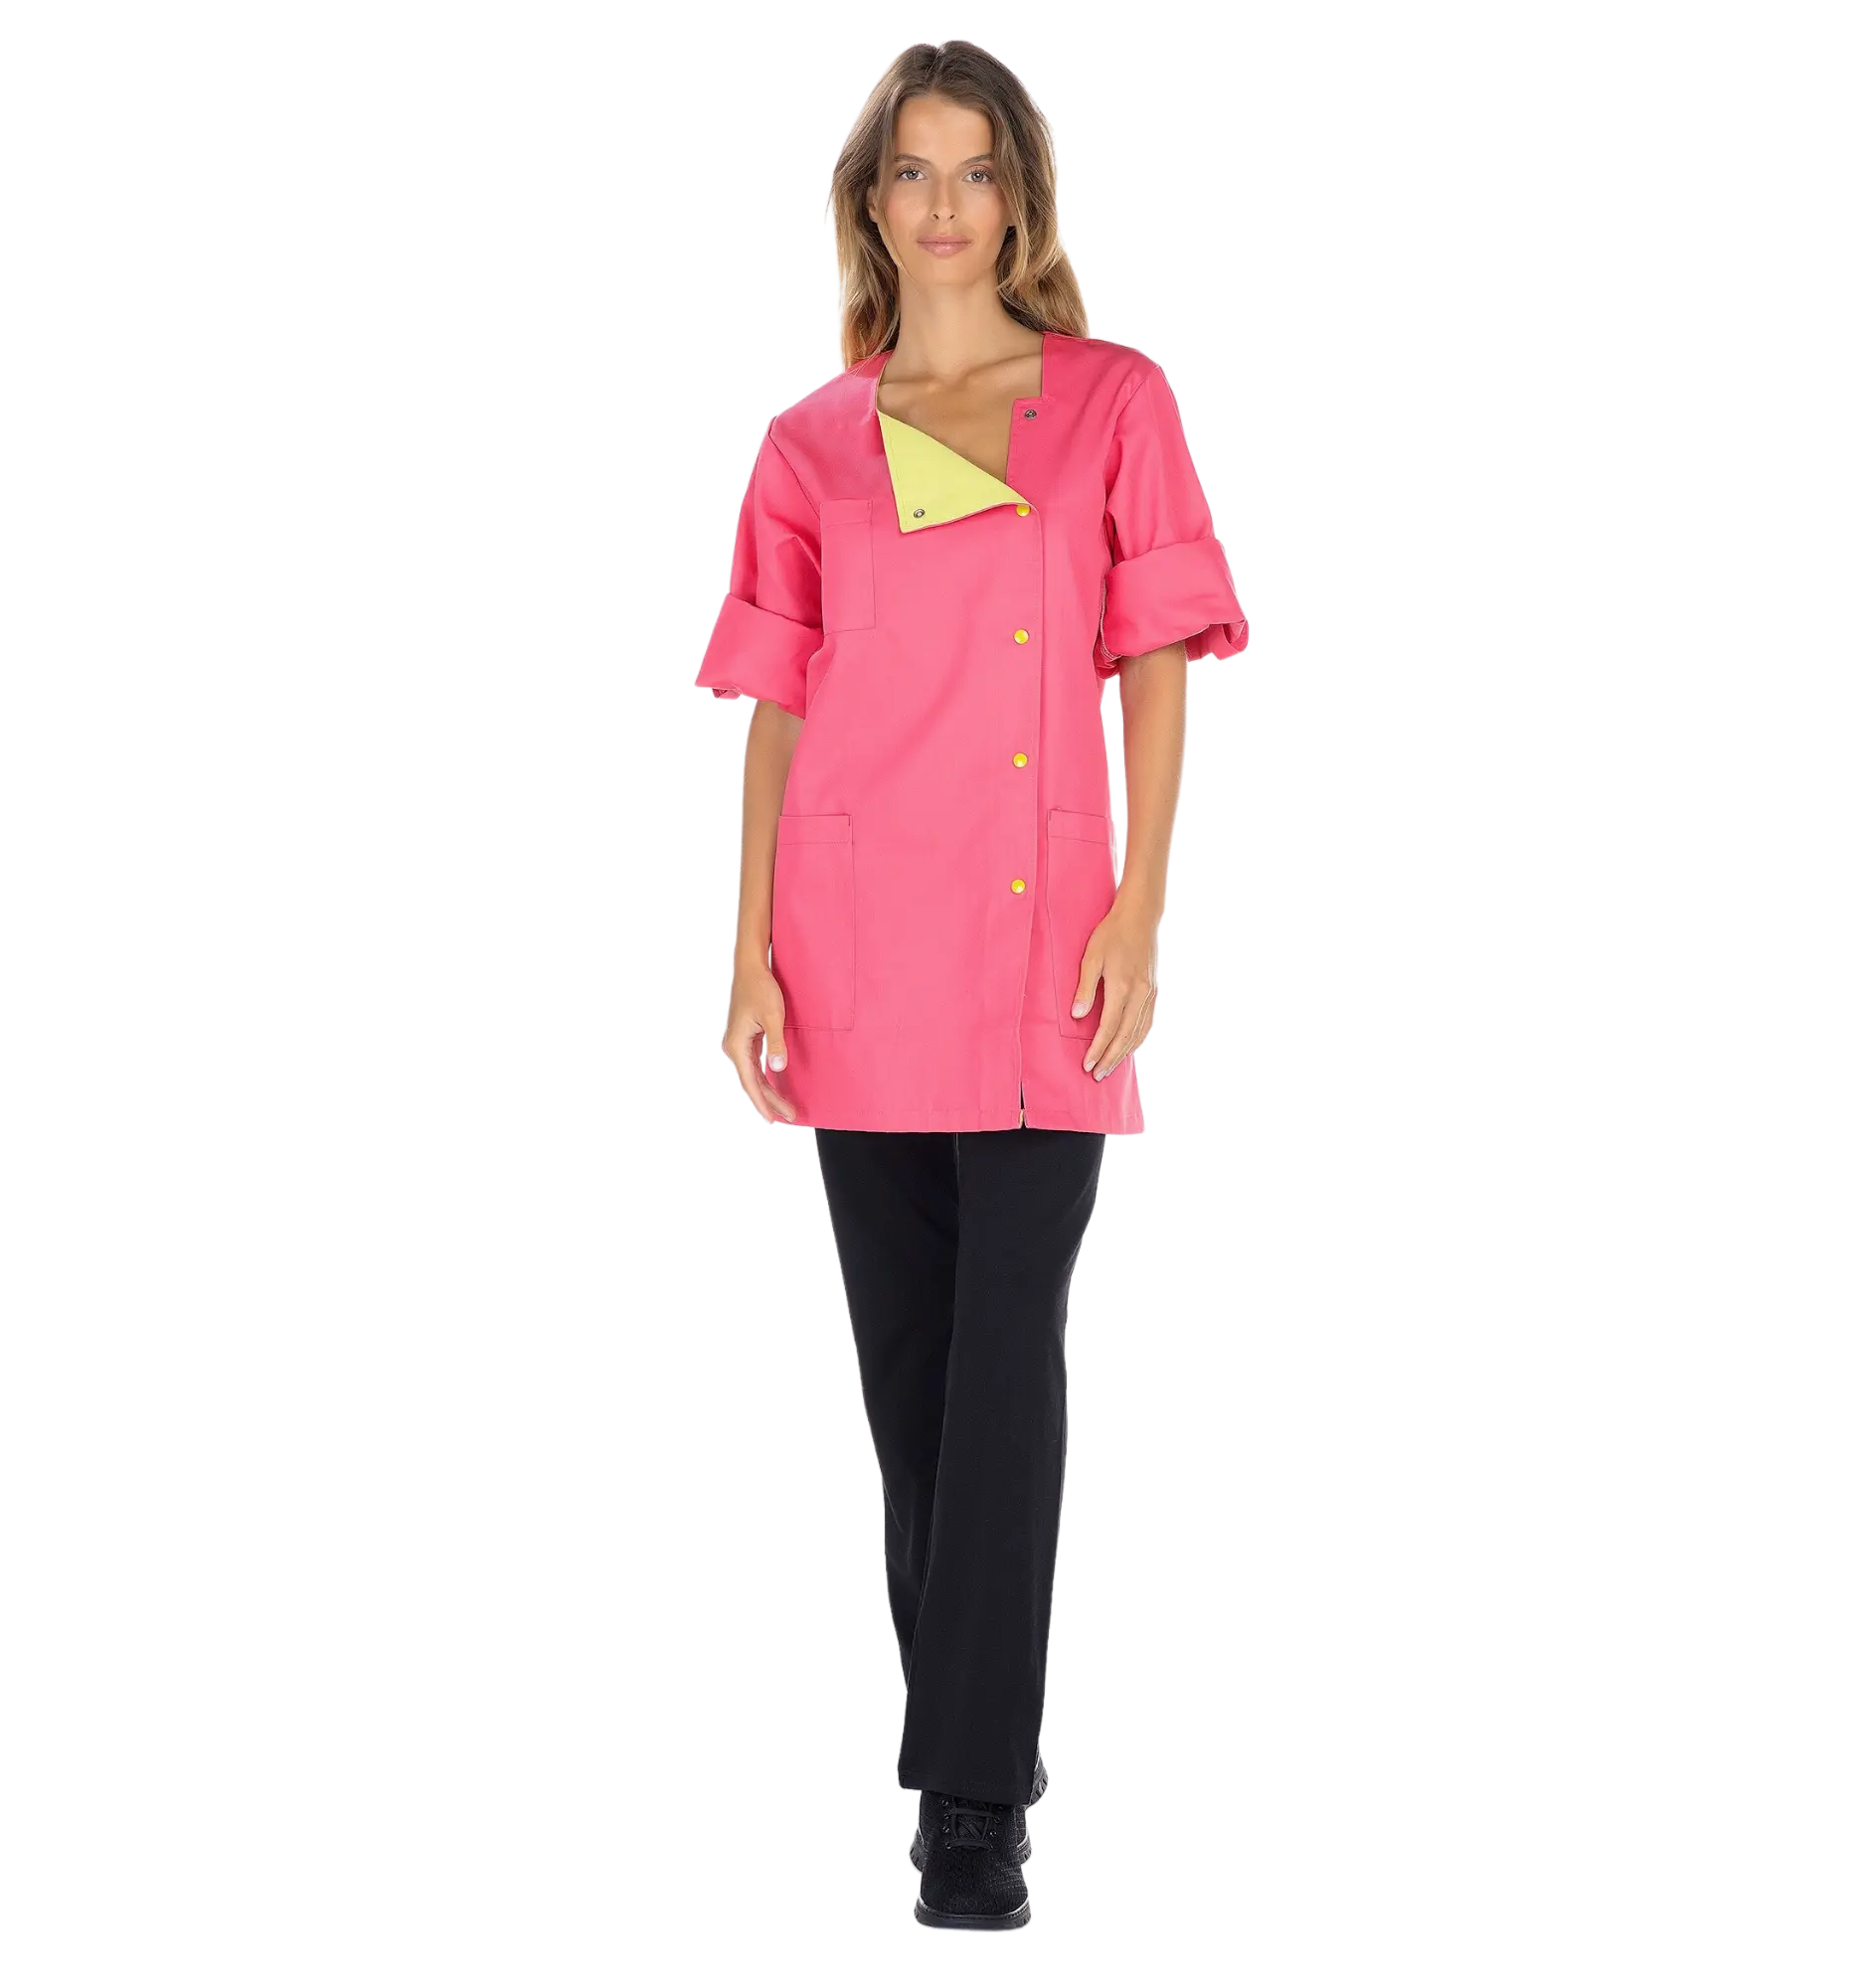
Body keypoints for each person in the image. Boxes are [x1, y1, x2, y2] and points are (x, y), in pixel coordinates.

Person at [693, 40, 1250, 1934]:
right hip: (852, 945)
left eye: (978, 171)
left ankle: (970, 1813)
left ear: (1024, 197)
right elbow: (776, 709)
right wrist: (750, 950)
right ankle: (958, 1780)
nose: (946, 207)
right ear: (869, 201)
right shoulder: (811, 442)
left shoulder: (1112, 401)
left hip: (1035, 946)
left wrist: (1139, 905)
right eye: (913, 173)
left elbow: (1158, 655)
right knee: (913, 1386)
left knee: (1008, 1366)